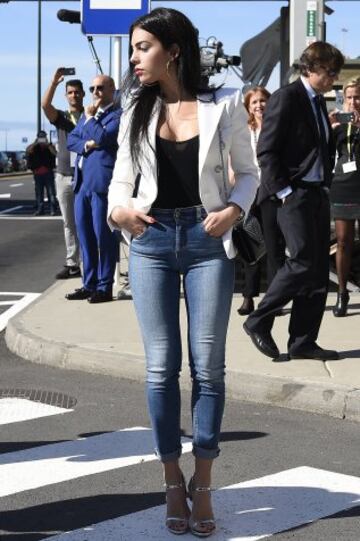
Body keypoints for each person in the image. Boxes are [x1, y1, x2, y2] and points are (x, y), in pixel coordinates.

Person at [107, 7, 258, 537]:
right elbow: (120, 185)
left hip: (206, 240)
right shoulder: (134, 109)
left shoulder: (224, 104)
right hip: (148, 242)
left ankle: (204, 482)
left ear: (173, 50)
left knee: (208, 367)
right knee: (160, 367)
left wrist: (235, 209)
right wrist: (120, 213)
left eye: (142, 47)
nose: (134, 58)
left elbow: (249, 173)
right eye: (132, 49)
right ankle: (172, 479)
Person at [243, 41, 344, 361]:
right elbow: (267, 150)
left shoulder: (317, 102)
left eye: (336, 73)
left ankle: (302, 342)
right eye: (330, 71)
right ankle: (259, 320)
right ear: (310, 68)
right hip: (293, 194)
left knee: (315, 272)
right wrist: (284, 192)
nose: (333, 78)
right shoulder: (287, 98)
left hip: (316, 193)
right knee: (300, 261)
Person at [66, 75, 121, 304]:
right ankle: (89, 284)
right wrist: (88, 144)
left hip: (100, 183)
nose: (95, 92)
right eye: (93, 88)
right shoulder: (91, 116)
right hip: (82, 184)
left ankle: (104, 286)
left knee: (104, 237)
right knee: (85, 237)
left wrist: (89, 122)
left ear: (112, 89)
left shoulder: (118, 115)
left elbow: (104, 137)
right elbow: (72, 140)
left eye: (100, 87)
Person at [237, 86, 285, 316]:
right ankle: (248, 296)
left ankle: (273, 300)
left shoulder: (279, 128)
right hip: (248, 191)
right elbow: (232, 159)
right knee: (250, 245)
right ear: (248, 106)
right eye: (254, 102)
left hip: (272, 191)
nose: (259, 106)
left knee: (275, 246)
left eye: (263, 101)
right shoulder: (244, 131)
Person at [42, 69, 85, 280]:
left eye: (77, 92)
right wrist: (54, 82)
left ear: (83, 94)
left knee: (88, 221)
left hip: (87, 176)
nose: (74, 95)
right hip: (65, 176)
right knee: (69, 222)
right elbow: (45, 106)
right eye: (70, 92)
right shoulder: (61, 118)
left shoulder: (90, 115)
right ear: (66, 95)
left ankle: (92, 263)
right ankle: (72, 263)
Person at [329, 77, 360, 316]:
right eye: (349, 97)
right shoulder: (340, 124)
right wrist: (330, 130)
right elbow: (325, 153)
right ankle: (342, 292)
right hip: (343, 185)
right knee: (342, 241)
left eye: (357, 97)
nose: (353, 102)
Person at [26, 131, 57, 216]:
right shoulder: (34, 147)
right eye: (40, 137)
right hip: (37, 173)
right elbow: (28, 151)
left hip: (48, 173)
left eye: (43, 137)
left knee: (51, 193)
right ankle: (40, 209)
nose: (42, 139)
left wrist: (48, 145)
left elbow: (55, 153)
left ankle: (53, 209)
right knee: (39, 193)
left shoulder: (49, 146)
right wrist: (35, 143)